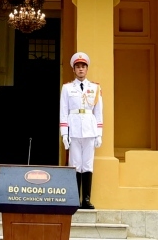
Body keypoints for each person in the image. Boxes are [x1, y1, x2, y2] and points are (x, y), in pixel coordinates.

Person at [59, 51, 102, 209]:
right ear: (73, 69)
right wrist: (64, 134)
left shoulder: (95, 88)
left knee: (88, 165)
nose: (81, 69)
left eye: (83, 66)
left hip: (90, 131)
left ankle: (86, 200)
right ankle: (75, 199)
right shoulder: (67, 88)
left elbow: (98, 112)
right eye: (78, 66)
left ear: (87, 68)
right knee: (75, 164)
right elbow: (63, 111)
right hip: (74, 130)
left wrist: (99, 134)